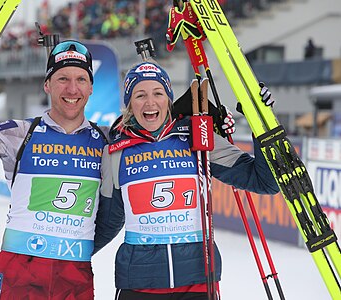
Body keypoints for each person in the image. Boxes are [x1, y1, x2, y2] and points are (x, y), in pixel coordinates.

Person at [0, 40, 112, 299]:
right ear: (47, 84)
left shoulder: (106, 140)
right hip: (21, 269)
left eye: (81, 79)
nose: (72, 88)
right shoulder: (18, 132)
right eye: (62, 79)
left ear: (91, 87)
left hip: (74, 273)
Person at [93, 61, 280, 299]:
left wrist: (261, 121)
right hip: (139, 284)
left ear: (168, 98)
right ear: (129, 103)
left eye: (158, 93)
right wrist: (66, 259)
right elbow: (109, 222)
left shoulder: (198, 137)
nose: (150, 103)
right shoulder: (116, 151)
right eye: (140, 95)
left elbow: (264, 182)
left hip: (198, 283)